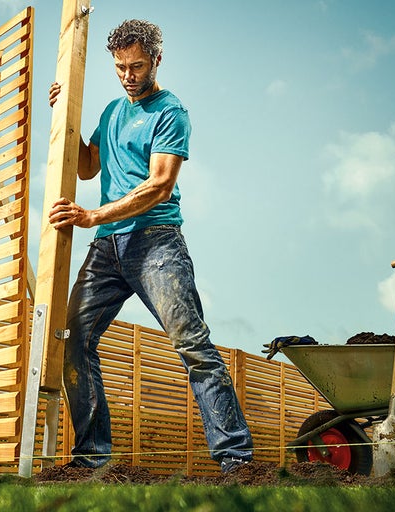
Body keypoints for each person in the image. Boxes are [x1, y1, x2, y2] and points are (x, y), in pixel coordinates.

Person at [47, 19, 253, 473]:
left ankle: (237, 461)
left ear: (157, 60)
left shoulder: (170, 112)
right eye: (120, 67)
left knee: (192, 344)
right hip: (106, 249)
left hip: (156, 243)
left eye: (137, 66)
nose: (128, 76)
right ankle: (93, 459)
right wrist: (69, 116)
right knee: (73, 340)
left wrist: (92, 216)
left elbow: (159, 186)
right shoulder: (111, 112)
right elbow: (86, 168)